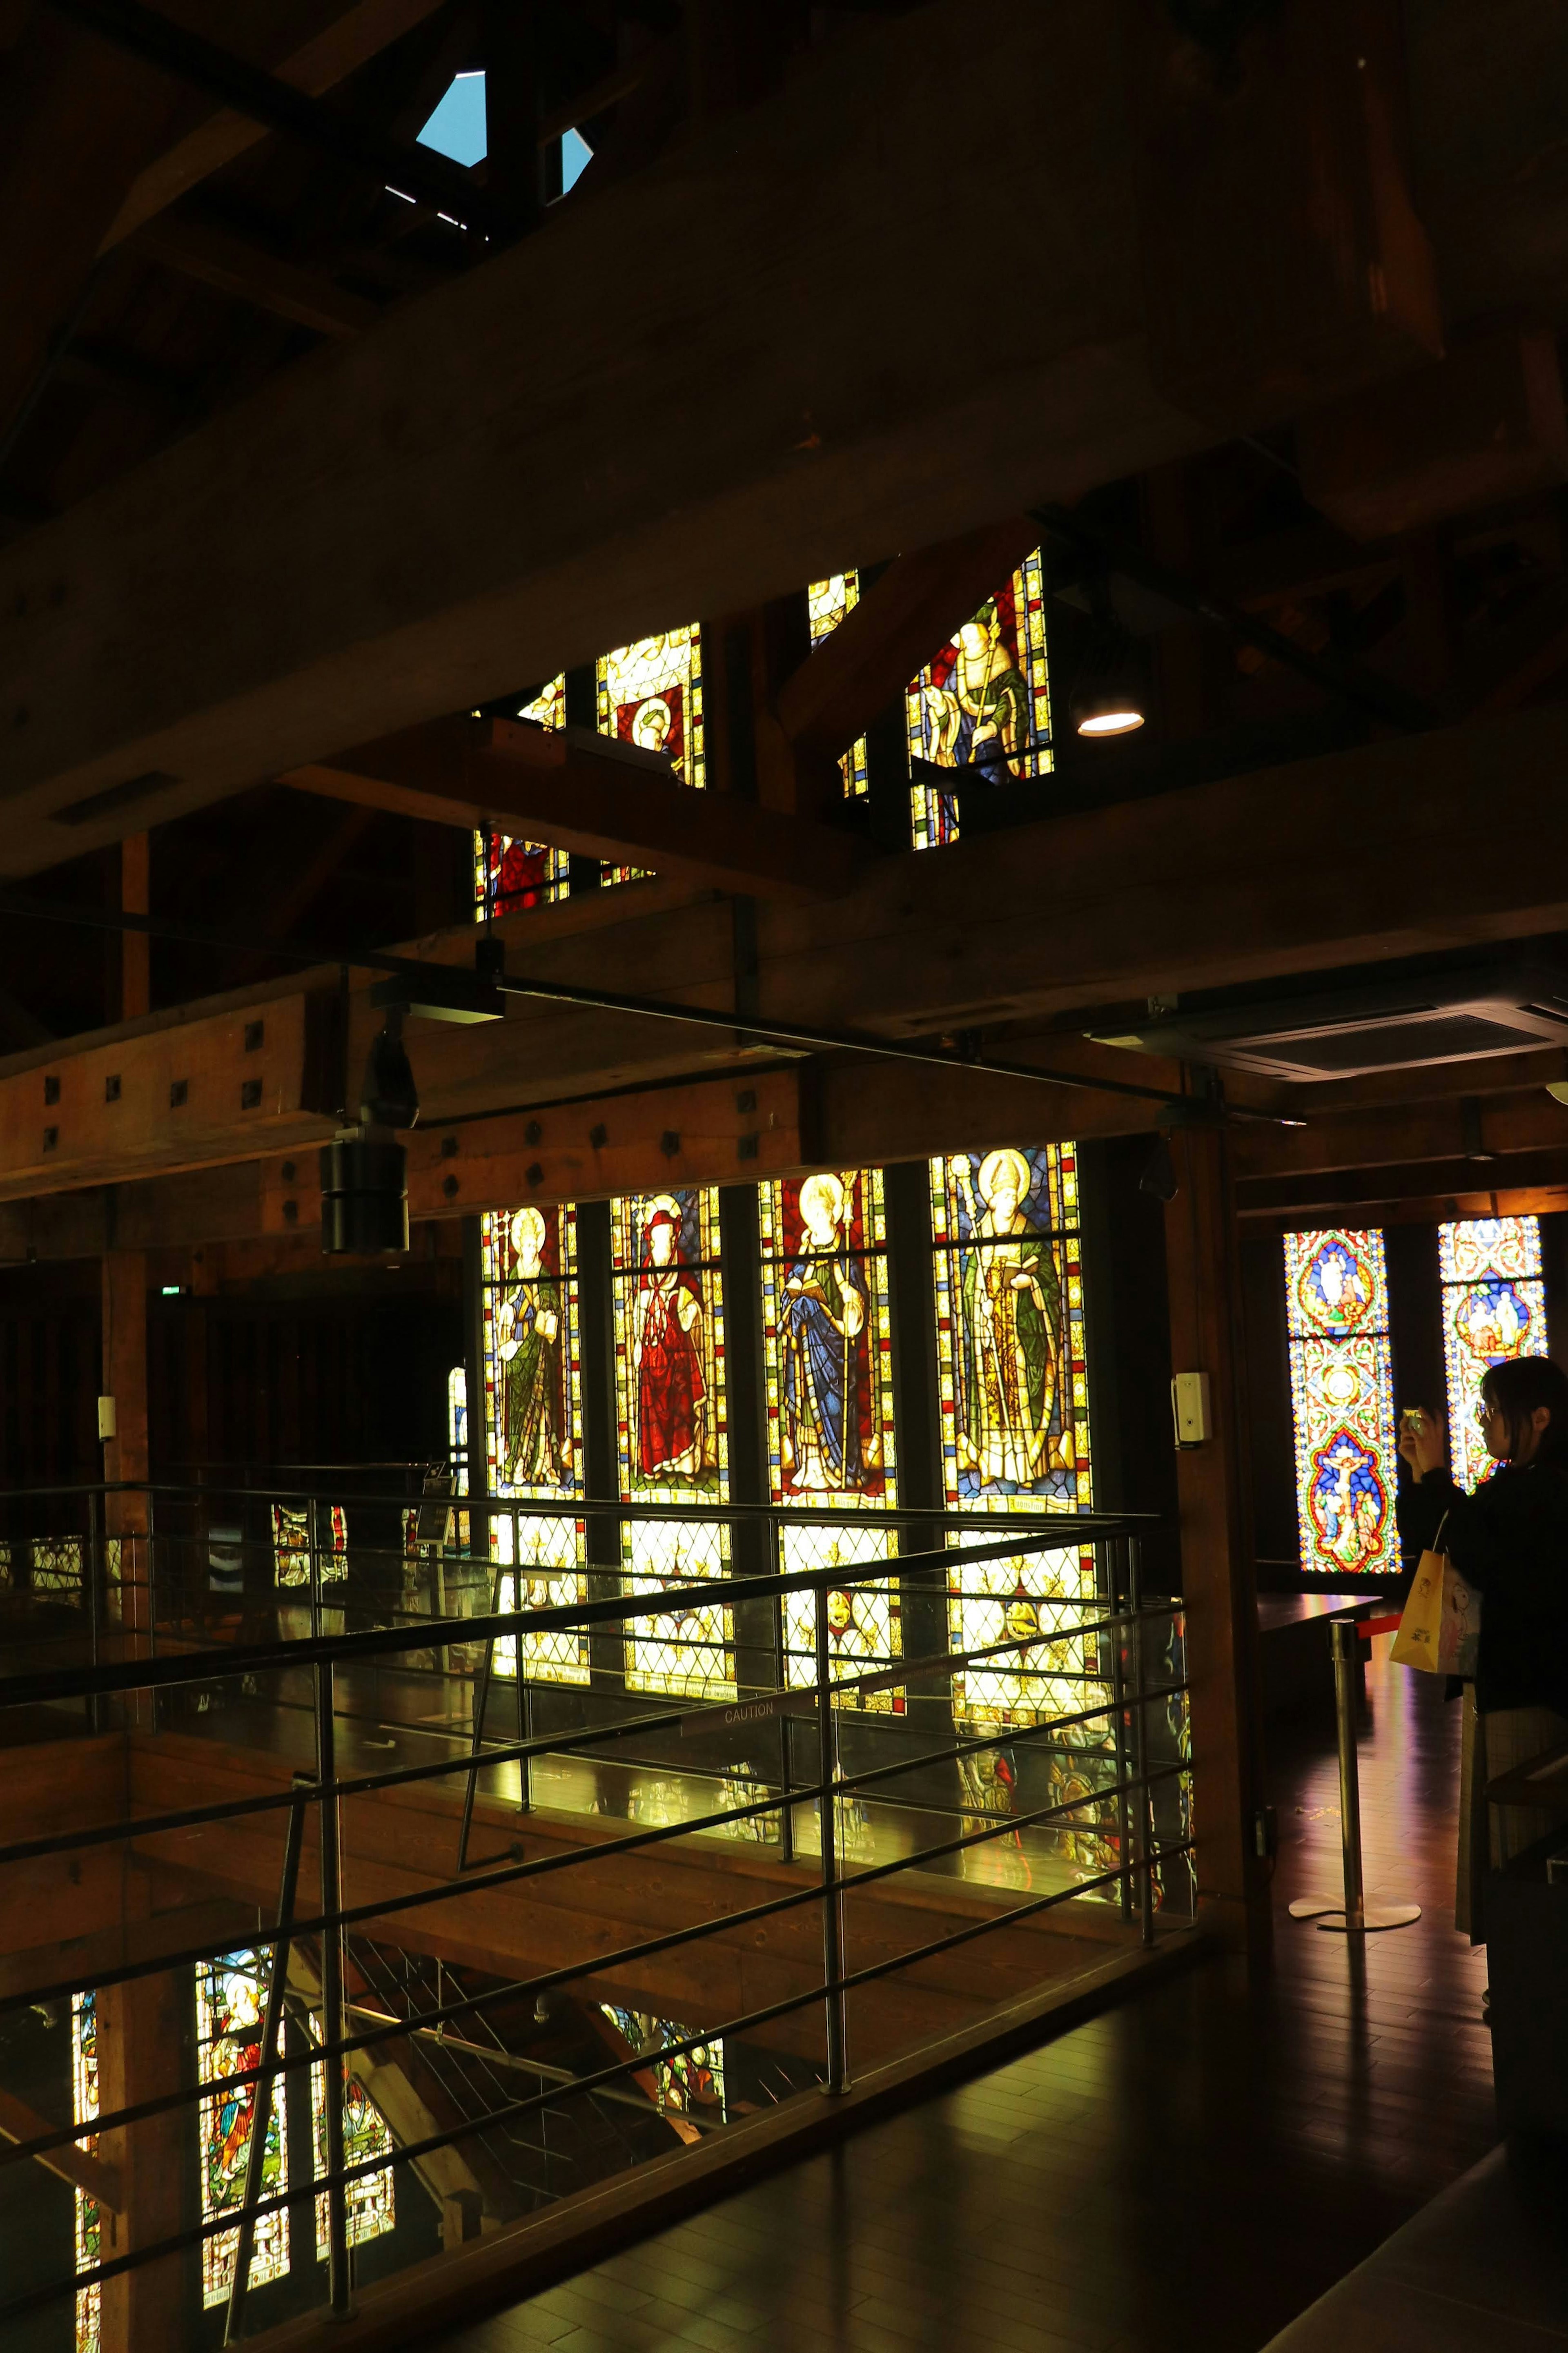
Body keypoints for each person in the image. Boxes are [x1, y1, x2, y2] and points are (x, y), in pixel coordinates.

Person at [1397, 1355, 1568, 1942]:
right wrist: (1425, 1472)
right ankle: (1521, 1976)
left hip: (1532, 1688)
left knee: (1526, 1839)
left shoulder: (1550, 1489)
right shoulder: (1517, 1486)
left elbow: (1483, 1554)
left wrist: (1439, 1477)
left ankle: (1535, 1978)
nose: (1486, 1423)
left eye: (1495, 1411)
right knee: (1504, 1836)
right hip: (1501, 1682)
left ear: (1540, 1418)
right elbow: (1440, 1541)